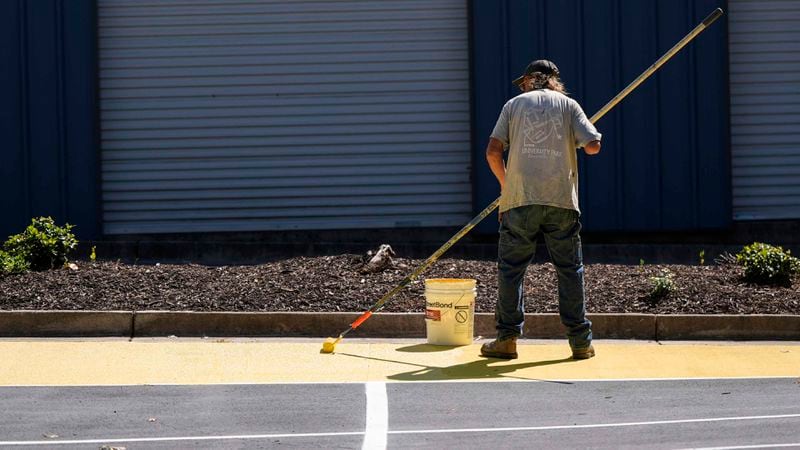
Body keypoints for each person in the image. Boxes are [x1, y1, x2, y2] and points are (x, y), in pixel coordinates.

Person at [480, 60, 601, 360]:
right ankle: (580, 343)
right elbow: (594, 146)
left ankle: (507, 339)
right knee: (570, 271)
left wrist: (506, 186)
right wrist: (582, 140)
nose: (522, 86)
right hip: (561, 201)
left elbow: (493, 152)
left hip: (520, 200)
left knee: (511, 271)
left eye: (524, 81)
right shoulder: (569, 106)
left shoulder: (513, 106)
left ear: (536, 80)